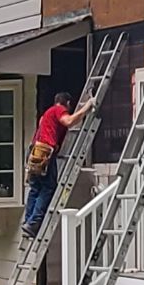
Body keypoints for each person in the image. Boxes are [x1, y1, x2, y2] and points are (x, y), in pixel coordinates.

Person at [22, 89, 94, 237]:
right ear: (67, 103)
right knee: (48, 187)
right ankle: (34, 222)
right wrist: (87, 106)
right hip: (45, 152)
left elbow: (43, 128)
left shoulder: (46, 115)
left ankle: (28, 221)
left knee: (35, 188)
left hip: (35, 150)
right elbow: (68, 121)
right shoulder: (58, 110)